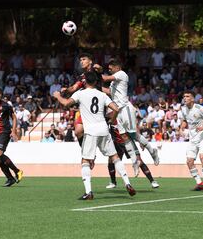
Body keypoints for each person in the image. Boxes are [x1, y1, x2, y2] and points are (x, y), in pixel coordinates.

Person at [53, 71, 136, 200]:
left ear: (85, 81)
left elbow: (65, 103)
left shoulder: (80, 93)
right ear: (96, 82)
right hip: (103, 129)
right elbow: (116, 108)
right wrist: (111, 119)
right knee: (114, 157)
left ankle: (89, 192)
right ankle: (128, 183)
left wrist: (58, 96)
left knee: (85, 160)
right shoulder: (102, 95)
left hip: (91, 131)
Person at [101, 59, 160, 171]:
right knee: (124, 136)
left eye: (110, 68)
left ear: (117, 67)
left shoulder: (121, 74)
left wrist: (95, 74)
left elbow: (104, 78)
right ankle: (135, 160)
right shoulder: (115, 81)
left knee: (133, 135)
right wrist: (92, 86)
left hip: (125, 108)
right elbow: (109, 91)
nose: (109, 70)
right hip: (118, 110)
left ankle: (152, 151)